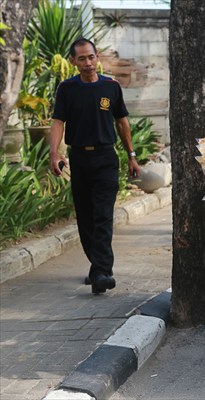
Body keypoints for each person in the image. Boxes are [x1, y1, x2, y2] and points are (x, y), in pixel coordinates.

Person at [49, 38, 140, 294]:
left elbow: (122, 123)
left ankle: (102, 271)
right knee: (86, 217)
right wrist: (54, 153)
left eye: (91, 57)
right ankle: (96, 266)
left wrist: (131, 155)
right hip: (79, 159)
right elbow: (58, 122)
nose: (88, 63)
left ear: (97, 56)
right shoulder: (67, 89)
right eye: (82, 59)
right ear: (73, 62)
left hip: (106, 159)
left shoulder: (111, 86)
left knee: (102, 215)